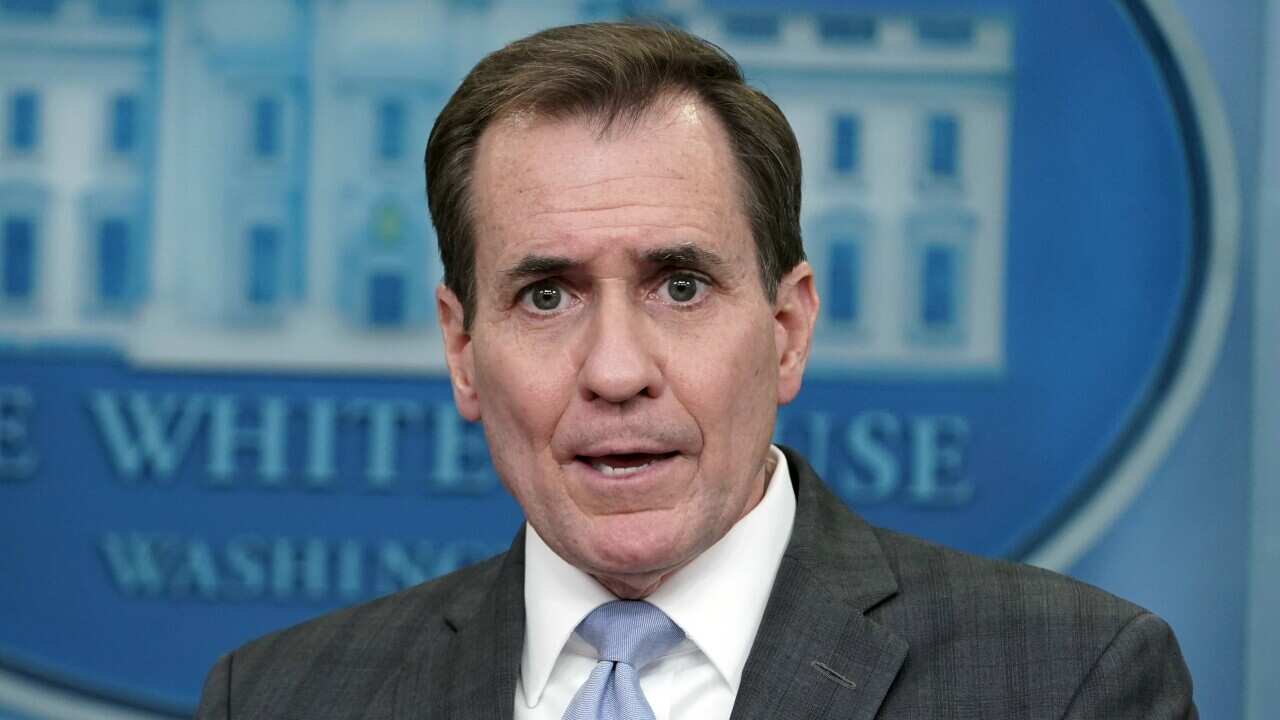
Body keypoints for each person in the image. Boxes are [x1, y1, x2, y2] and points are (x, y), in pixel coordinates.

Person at [195, 22, 1195, 719]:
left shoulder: (1066, 685)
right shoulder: (283, 698)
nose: (616, 371)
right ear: (462, 351)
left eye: (678, 286)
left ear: (787, 327)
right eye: (546, 295)